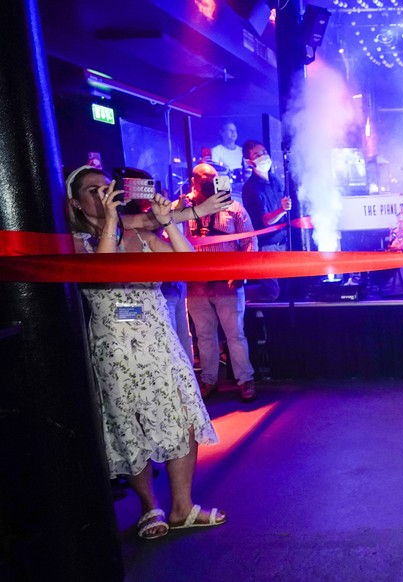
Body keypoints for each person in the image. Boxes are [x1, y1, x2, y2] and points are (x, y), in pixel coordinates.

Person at [65, 166, 226, 539]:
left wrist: (170, 224)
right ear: (75, 202)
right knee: (128, 425)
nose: (104, 195)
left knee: (181, 415)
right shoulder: (74, 244)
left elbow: (188, 266)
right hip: (115, 350)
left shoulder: (138, 233)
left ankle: (183, 506)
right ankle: (148, 507)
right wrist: (109, 223)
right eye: (93, 190)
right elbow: (102, 277)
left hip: (158, 341)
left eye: (107, 188)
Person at [186, 163, 259, 402]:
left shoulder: (233, 206)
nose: (210, 182)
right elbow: (168, 239)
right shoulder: (183, 208)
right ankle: (208, 379)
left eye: (214, 178)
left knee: (235, 335)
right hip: (195, 285)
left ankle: (245, 380)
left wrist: (241, 273)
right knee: (204, 336)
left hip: (228, 283)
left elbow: (249, 241)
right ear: (194, 181)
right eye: (205, 178)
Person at [241, 139, 290, 302]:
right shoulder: (250, 188)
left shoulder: (275, 180)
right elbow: (265, 220)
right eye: (257, 154)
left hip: (283, 243)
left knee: (287, 292)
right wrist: (282, 210)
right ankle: (243, 297)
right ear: (249, 162)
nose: (263, 156)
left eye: (264, 152)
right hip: (266, 247)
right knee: (272, 292)